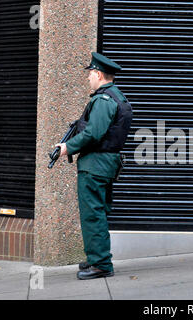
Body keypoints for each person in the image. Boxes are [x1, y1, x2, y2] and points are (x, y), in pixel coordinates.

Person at [56, 52, 133, 279]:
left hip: (95, 164)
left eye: (90, 74)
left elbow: (94, 132)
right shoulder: (117, 97)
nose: (89, 78)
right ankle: (96, 257)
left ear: (98, 74)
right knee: (98, 212)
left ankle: (100, 265)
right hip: (105, 163)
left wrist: (67, 147)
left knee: (92, 214)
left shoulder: (103, 100)